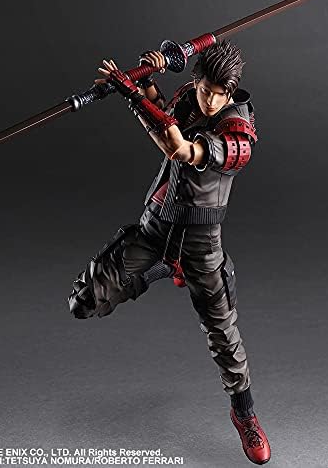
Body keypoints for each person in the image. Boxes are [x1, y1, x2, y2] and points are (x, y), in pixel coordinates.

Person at [67, 40, 271, 465]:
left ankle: (245, 415)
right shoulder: (189, 100)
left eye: (220, 94)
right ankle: (161, 267)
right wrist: (149, 79)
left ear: (231, 92)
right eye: (206, 90)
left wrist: (132, 94)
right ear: (196, 81)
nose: (211, 101)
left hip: (201, 242)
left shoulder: (239, 132)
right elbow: (164, 114)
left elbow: (179, 148)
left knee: (223, 334)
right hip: (156, 227)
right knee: (83, 301)